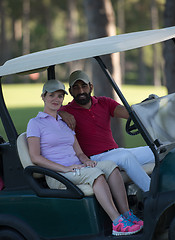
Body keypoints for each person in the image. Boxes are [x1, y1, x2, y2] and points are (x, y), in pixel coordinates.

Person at [26, 79, 143, 236]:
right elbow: (35, 157)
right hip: (57, 174)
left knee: (110, 167)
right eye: (52, 95)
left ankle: (127, 214)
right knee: (97, 175)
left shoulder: (64, 122)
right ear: (43, 97)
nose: (56, 99)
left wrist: (86, 161)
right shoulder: (35, 123)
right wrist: (65, 168)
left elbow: (79, 152)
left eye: (60, 96)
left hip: (76, 169)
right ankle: (117, 223)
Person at [58, 70, 155, 192]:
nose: (81, 91)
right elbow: (50, 115)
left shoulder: (104, 102)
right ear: (71, 91)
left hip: (115, 152)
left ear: (91, 87)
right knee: (125, 157)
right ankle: (153, 193)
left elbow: (128, 113)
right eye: (76, 88)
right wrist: (61, 112)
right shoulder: (67, 111)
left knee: (157, 150)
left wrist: (150, 107)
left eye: (84, 86)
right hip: (94, 159)